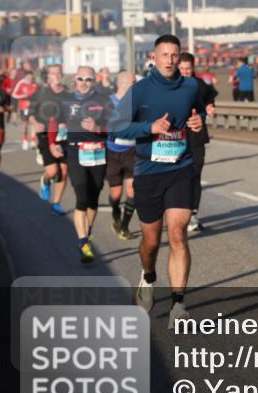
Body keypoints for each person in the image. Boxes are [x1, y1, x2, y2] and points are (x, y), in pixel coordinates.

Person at [109, 35, 206, 328]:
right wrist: (148, 127)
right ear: (154, 56)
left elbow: (198, 111)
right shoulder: (139, 91)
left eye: (174, 54)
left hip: (181, 168)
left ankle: (178, 304)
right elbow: (115, 128)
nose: (170, 60)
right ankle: (148, 276)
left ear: (180, 57)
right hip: (149, 172)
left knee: (177, 233)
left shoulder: (191, 85)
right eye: (164, 54)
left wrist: (198, 121)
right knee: (151, 242)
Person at [61, 66, 112, 263]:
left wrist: (97, 127)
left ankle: (87, 233)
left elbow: (114, 127)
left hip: (97, 152)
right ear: (75, 79)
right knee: (81, 197)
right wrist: (53, 143)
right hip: (75, 152)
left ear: (94, 81)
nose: (84, 82)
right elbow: (55, 123)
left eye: (88, 79)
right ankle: (83, 243)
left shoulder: (103, 100)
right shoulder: (65, 100)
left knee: (94, 196)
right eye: (80, 78)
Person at [179, 53, 219, 229]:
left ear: (193, 68)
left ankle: (193, 214)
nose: (185, 72)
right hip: (174, 139)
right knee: (177, 178)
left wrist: (210, 106)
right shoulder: (168, 86)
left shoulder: (200, 85)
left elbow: (210, 97)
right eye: (182, 69)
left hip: (196, 137)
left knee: (195, 175)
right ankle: (177, 211)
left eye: (188, 69)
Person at [29, 65, 69, 215]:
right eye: (54, 73)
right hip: (45, 134)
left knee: (64, 171)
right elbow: (30, 113)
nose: (57, 75)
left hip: (63, 136)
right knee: (53, 171)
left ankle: (56, 203)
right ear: (48, 77)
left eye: (59, 73)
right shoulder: (40, 93)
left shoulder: (67, 94)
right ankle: (45, 181)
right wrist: (35, 123)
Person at [106, 71, 137, 240]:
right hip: (112, 152)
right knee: (116, 194)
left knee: (133, 189)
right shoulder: (108, 102)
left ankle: (124, 226)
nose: (136, 85)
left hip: (132, 151)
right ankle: (116, 216)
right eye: (133, 82)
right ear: (123, 84)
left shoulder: (138, 102)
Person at [11, 71, 38, 151]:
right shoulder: (21, 83)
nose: (30, 79)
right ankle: (25, 140)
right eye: (28, 78)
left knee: (33, 123)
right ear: (25, 77)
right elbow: (14, 94)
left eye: (31, 78)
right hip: (23, 107)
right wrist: (24, 96)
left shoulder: (35, 84)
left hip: (33, 107)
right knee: (25, 125)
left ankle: (33, 141)